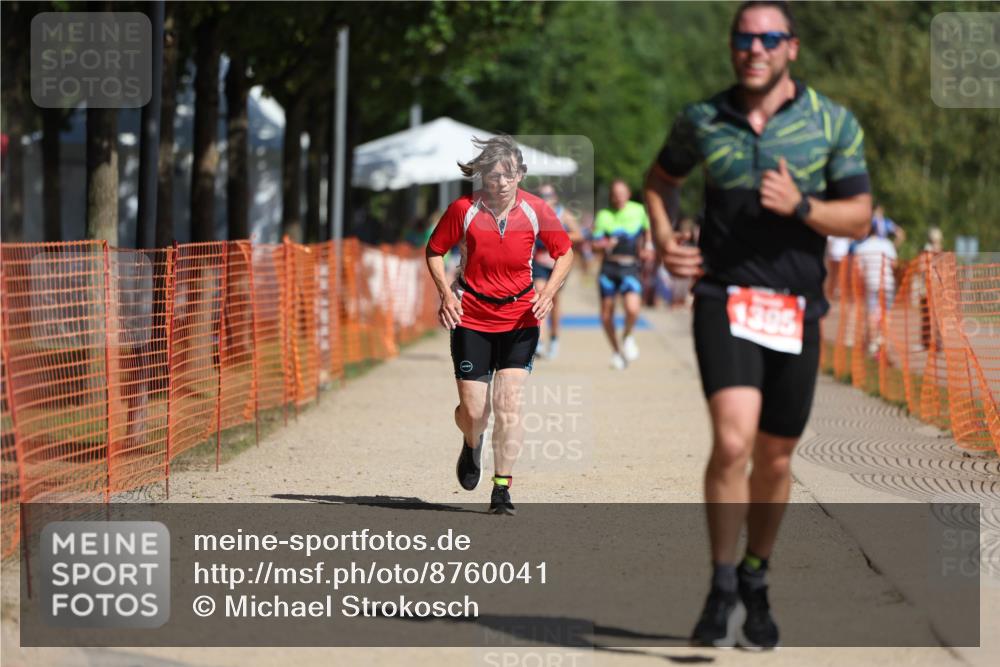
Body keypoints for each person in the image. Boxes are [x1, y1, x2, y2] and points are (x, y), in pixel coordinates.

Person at [644, 0, 872, 648]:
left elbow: (858, 215)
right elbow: (660, 181)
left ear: (791, 48)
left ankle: (755, 575)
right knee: (735, 441)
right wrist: (664, 237)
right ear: (732, 47)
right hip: (725, 297)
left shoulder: (831, 123)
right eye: (744, 38)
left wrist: (802, 205)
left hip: (797, 304)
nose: (755, 49)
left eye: (769, 38)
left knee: (775, 456)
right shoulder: (703, 119)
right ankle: (719, 586)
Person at [425, 136, 573, 515]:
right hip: (471, 316)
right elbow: (435, 251)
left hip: (520, 317)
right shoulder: (464, 209)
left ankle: (502, 489)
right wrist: (446, 294)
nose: (502, 181)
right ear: (482, 176)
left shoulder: (538, 209)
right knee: (474, 412)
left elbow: (565, 253)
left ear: (520, 175)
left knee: (508, 404)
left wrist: (549, 292)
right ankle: (471, 443)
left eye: (509, 174)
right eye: (494, 174)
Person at [593, 179, 653, 369]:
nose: (618, 197)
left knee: (633, 309)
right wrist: (604, 244)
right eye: (615, 194)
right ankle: (617, 352)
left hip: (630, 267)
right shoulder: (604, 215)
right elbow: (594, 244)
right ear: (612, 196)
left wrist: (648, 247)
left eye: (622, 193)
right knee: (606, 315)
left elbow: (648, 231)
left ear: (628, 194)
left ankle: (627, 335)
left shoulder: (639, 210)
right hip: (609, 269)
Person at [532, 184, 583, 360]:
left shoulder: (564, 214)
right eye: (542, 195)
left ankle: (554, 338)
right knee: (540, 297)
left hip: (557, 265)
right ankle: (539, 341)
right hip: (539, 262)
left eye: (549, 195)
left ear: (555, 197)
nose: (546, 199)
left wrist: (558, 237)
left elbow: (579, 234)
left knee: (554, 302)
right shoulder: (534, 215)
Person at [854, 227, 897, 355]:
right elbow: (894, 264)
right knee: (886, 313)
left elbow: (859, 272)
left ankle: (873, 344)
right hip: (887, 283)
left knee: (872, 313)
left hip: (871, 283)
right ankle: (883, 341)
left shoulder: (861, 247)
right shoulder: (887, 244)